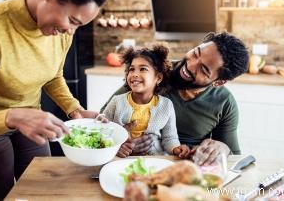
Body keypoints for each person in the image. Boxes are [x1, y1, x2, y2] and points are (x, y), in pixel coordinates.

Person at [0, 0, 113, 200]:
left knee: (44, 191)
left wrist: (75, 110)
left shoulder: (61, 32)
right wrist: (13, 117)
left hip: (32, 119)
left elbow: (52, 75)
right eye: (73, 21)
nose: (71, 32)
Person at [101, 32, 249, 165]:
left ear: (218, 82)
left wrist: (223, 148)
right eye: (196, 53)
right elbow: (103, 120)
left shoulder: (224, 103)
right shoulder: (155, 73)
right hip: (136, 163)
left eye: (203, 69)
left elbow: (234, 158)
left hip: (188, 170)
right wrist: (120, 140)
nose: (190, 65)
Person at [102, 45, 190, 158]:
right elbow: (103, 131)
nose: (134, 74)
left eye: (143, 69)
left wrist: (176, 149)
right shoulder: (117, 102)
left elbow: (169, 138)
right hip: (121, 159)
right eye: (131, 69)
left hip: (155, 159)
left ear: (158, 78)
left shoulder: (166, 105)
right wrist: (116, 146)